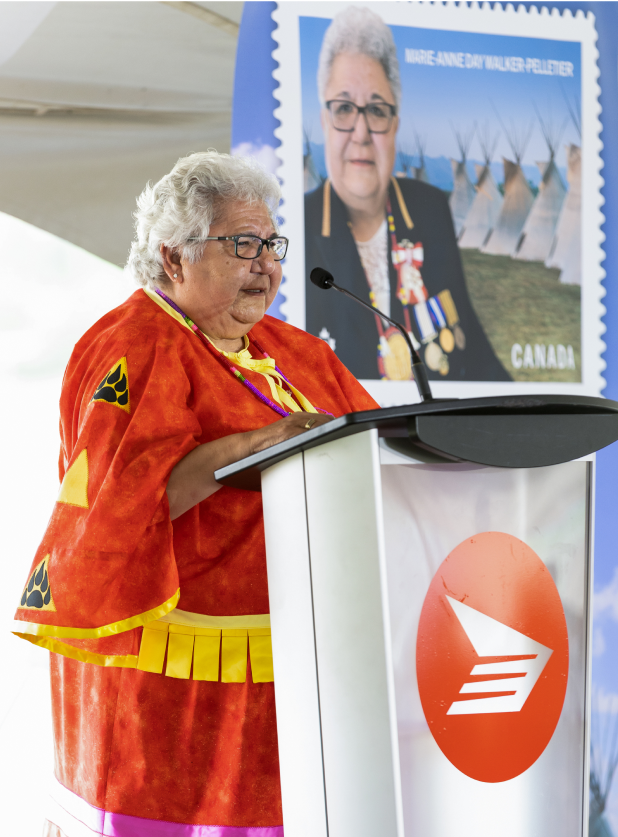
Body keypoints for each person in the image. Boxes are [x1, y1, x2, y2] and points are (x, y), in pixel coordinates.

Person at [12, 151, 377, 836]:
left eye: (271, 245)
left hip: (296, 673)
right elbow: (125, 504)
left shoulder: (295, 352)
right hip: (169, 694)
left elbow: (373, 444)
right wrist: (251, 446)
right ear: (174, 257)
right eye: (244, 245)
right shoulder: (136, 345)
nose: (266, 264)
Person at [305, 6, 511, 383]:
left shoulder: (428, 209)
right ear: (324, 122)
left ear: (395, 126)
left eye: (378, 111)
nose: (362, 132)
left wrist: (533, 420)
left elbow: (470, 339)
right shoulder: (299, 226)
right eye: (345, 108)